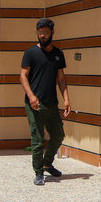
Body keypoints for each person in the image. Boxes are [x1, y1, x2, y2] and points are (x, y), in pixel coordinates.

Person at [20, 18, 72, 186]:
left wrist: (66, 99)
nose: (42, 36)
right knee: (38, 140)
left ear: (52, 33)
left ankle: (47, 163)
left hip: (51, 103)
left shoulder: (58, 54)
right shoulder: (30, 53)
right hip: (34, 104)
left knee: (58, 135)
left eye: (45, 33)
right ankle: (38, 172)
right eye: (40, 33)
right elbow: (23, 76)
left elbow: (61, 79)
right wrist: (31, 96)